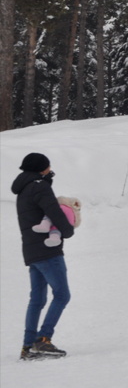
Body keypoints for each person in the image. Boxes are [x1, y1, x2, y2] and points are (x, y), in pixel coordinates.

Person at [11, 153, 75, 360]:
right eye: (48, 165)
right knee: (62, 295)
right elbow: (53, 211)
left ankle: (28, 346)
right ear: (42, 167)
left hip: (32, 250)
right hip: (47, 249)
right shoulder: (39, 185)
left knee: (37, 299)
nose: (50, 168)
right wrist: (67, 230)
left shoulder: (24, 188)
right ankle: (43, 340)